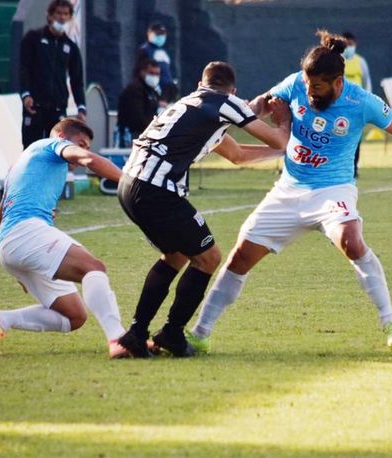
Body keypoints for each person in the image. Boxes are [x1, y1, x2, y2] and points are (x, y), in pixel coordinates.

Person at [187, 31, 392, 353]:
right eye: (307, 85)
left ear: (337, 83)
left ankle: (390, 322)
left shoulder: (362, 102)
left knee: (351, 241)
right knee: (239, 258)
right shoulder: (296, 83)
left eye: (317, 87)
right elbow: (262, 103)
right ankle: (200, 333)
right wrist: (246, 112)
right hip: (288, 190)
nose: (309, 92)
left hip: (333, 190)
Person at [116, 61, 291, 358]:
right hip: (157, 189)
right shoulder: (225, 103)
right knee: (209, 258)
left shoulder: (190, 105)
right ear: (232, 91)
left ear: (200, 83)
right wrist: (284, 122)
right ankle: (171, 333)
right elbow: (277, 137)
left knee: (177, 255)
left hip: (130, 184)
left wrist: (280, 152)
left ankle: (136, 333)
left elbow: (236, 155)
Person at [0, 118, 129, 359]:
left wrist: (20, 270)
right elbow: (89, 160)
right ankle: (120, 340)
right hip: (26, 232)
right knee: (93, 268)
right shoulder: (50, 145)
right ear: (61, 138)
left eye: (87, 146)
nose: (83, 151)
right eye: (81, 143)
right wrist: (129, 181)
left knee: (74, 316)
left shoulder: (20, 166)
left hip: (8, 245)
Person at [19, 0, 86, 149]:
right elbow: (24, 69)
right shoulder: (33, 38)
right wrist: (26, 94)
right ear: (49, 15)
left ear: (70, 17)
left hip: (58, 109)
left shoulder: (71, 47)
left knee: (56, 149)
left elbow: (77, 80)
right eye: (58, 13)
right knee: (31, 149)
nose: (62, 17)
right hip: (35, 106)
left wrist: (81, 107)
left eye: (65, 14)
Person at [342, 31, 372, 178]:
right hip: (341, 106)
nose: (348, 47)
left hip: (358, 106)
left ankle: (354, 167)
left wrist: (367, 103)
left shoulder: (360, 62)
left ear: (355, 44)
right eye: (346, 44)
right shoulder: (337, 61)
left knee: (356, 137)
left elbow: (367, 83)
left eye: (351, 44)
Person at [116, 58, 161, 146]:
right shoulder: (134, 89)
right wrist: (152, 130)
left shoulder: (152, 92)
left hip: (146, 134)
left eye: (157, 74)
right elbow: (136, 117)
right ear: (142, 72)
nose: (155, 77)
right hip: (132, 134)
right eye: (151, 73)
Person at [136, 22, 178, 103]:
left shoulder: (164, 52)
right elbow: (140, 72)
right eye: (158, 34)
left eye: (162, 34)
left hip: (169, 92)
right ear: (149, 34)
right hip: (156, 92)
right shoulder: (145, 50)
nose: (161, 37)